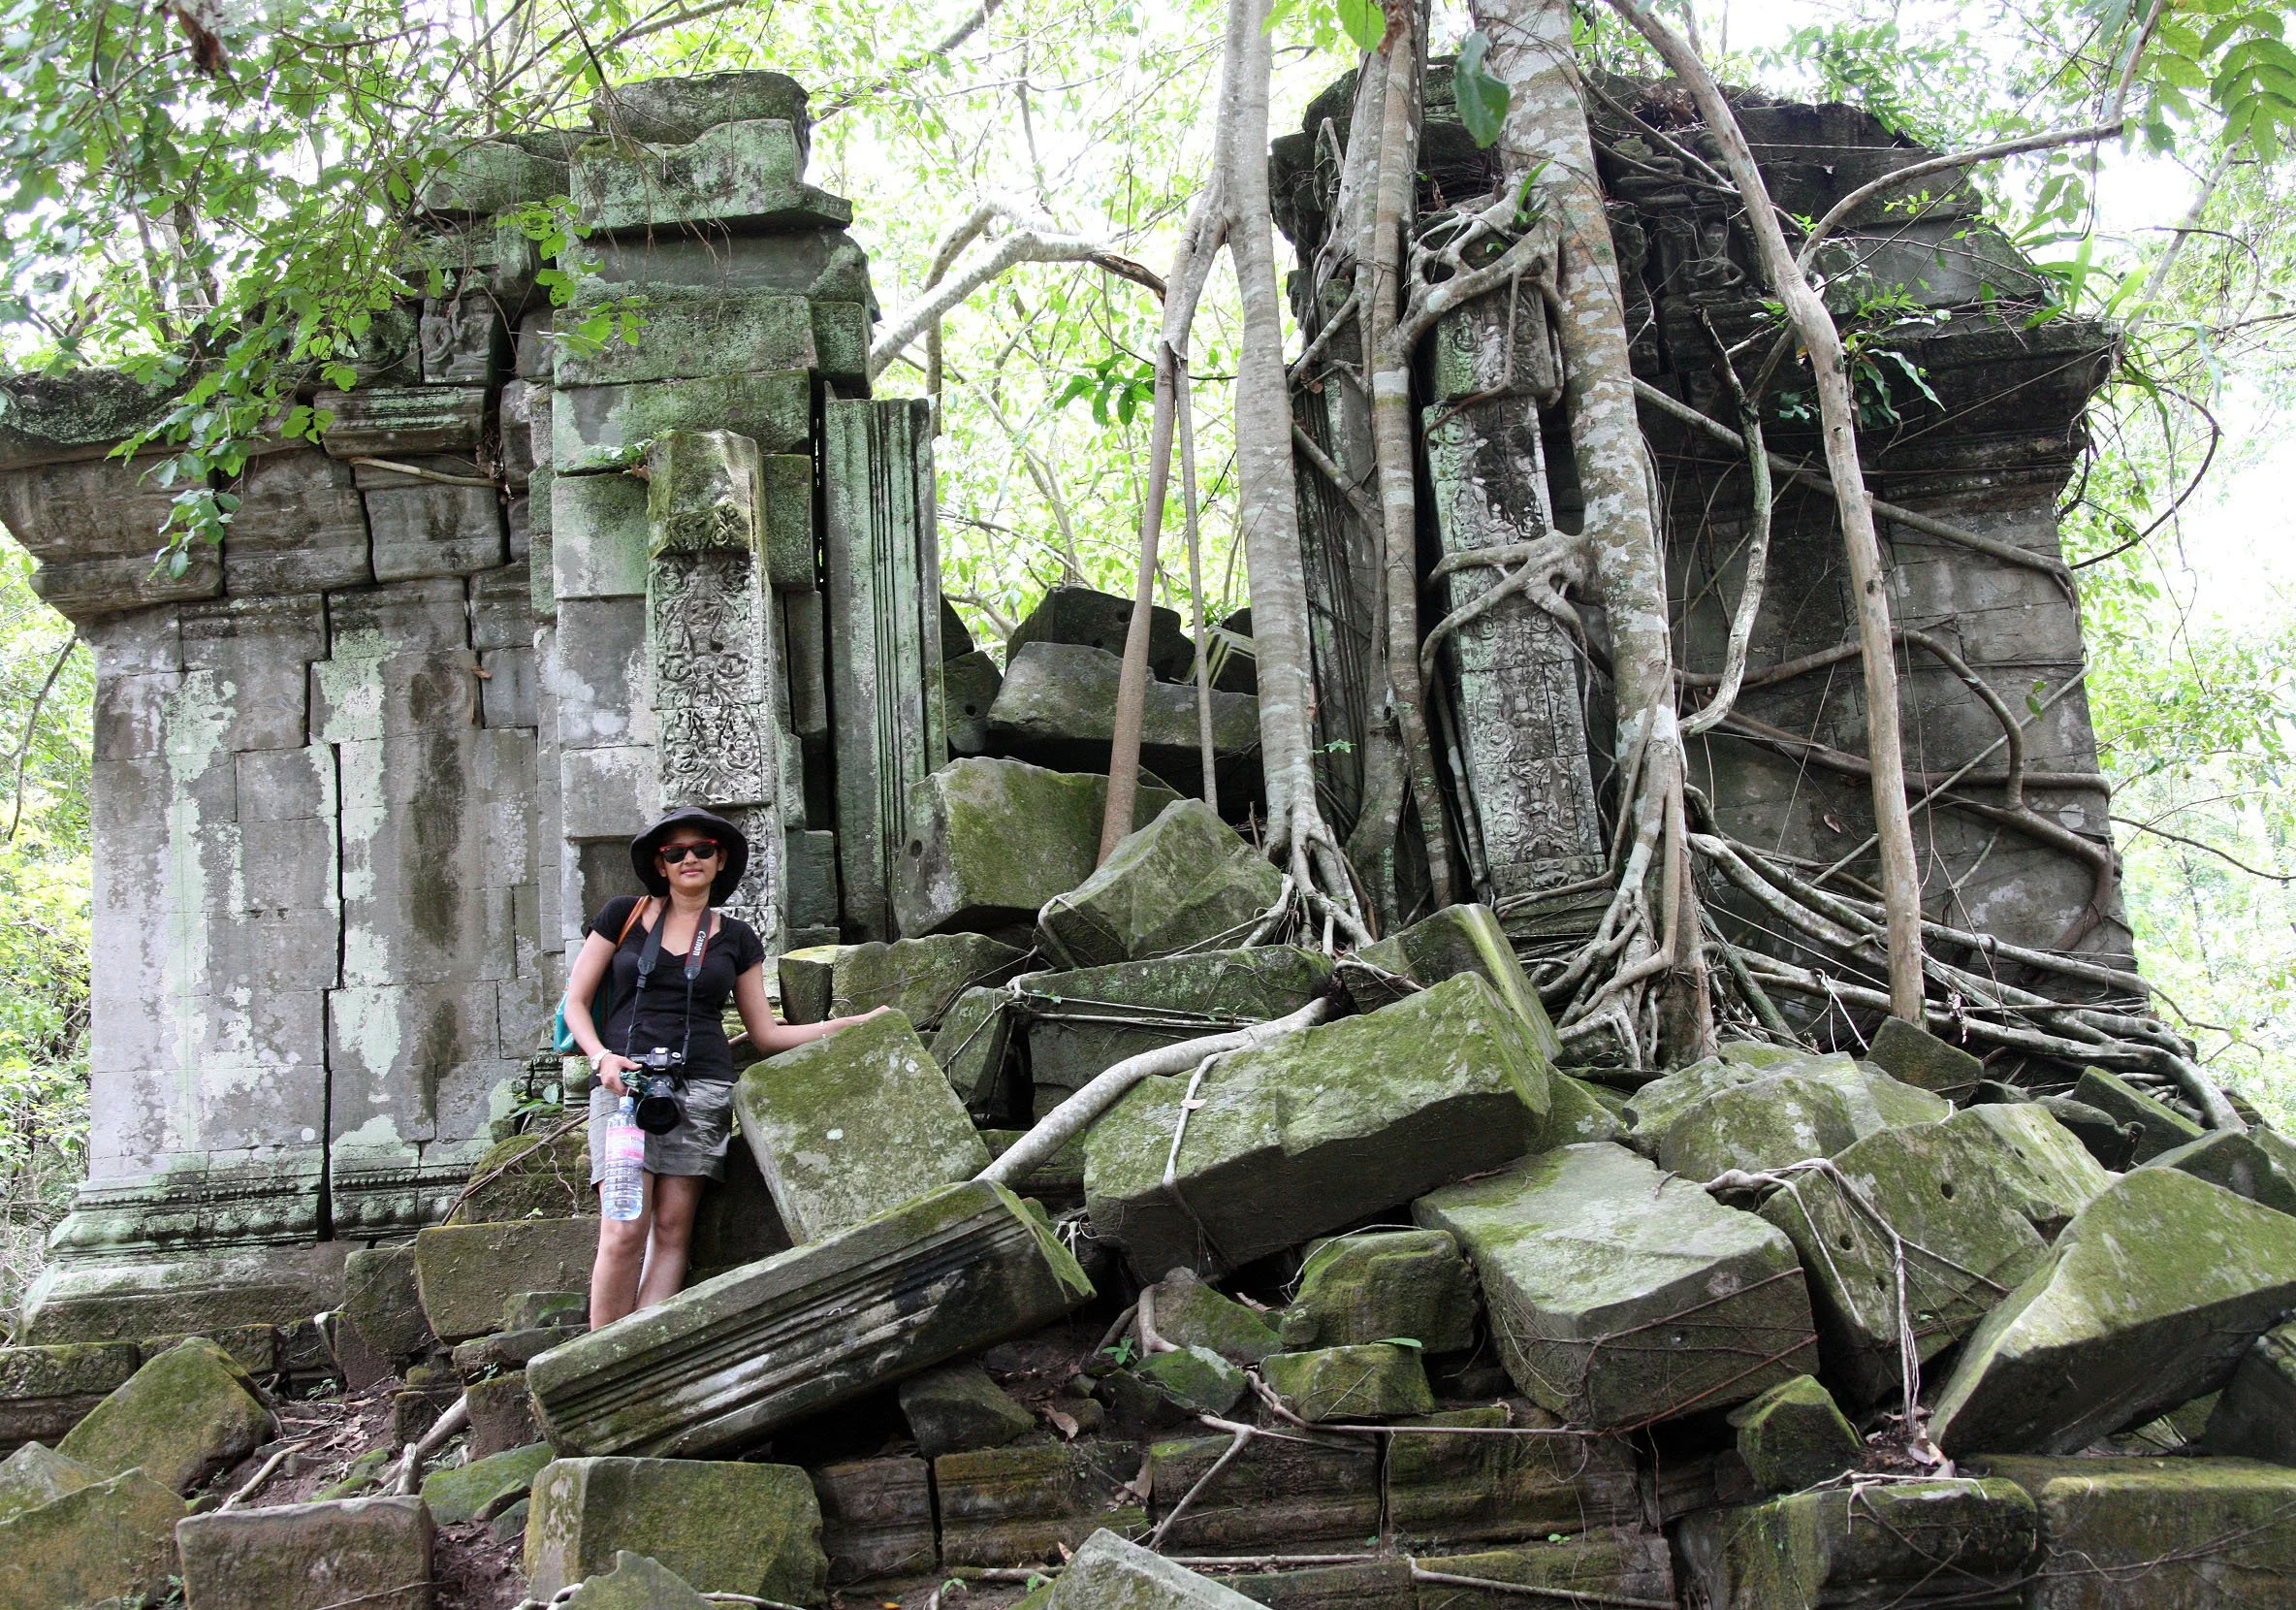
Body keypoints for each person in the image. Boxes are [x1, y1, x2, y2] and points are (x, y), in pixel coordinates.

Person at [562, 805, 883, 1327]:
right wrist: (601, 1057)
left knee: (672, 1231)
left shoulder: (736, 937)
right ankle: (599, 1358)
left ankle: (643, 1354)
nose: (689, 858)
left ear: (720, 860)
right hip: (625, 1087)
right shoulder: (621, 914)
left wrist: (855, 1024)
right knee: (623, 1226)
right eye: (675, 852)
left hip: (704, 1088)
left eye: (702, 850)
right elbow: (575, 1001)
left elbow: (766, 1034)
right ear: (660, 865)